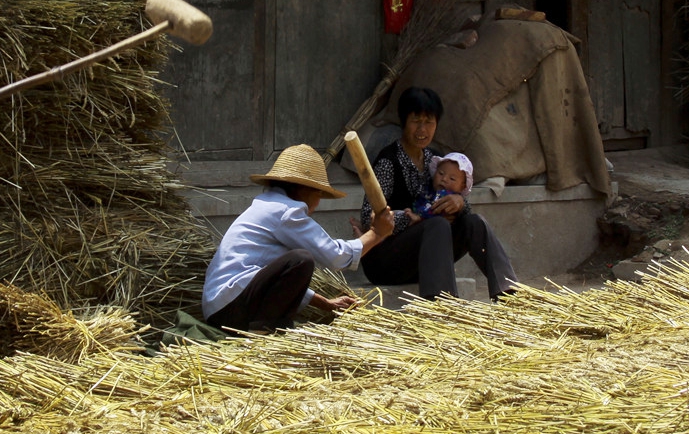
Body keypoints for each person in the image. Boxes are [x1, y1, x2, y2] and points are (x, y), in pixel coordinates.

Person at [203, 144, 396, 331]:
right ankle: (262, 330)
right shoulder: (286, 211)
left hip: (219, 310)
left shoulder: (267, 205)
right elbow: (336, 257)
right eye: (319, 193)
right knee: (301, 260)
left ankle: (265, 327)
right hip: (230, 307)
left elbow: (273, 280)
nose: (318, 202)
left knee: (296, 262)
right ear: (304, 188)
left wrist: (326, 304)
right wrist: (377, 233)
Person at [357, 87, 517, 300]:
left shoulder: (439, 160)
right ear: (404, 122)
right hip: (387, 261)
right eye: (416, 121)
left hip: (424, 258)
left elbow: (461, 207)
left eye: (429, 122)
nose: (422, 129)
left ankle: (508, 293)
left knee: (474, 222)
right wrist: (410, 220)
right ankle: (441, 303)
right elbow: (369, 218)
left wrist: (459, 202)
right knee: (437, 224)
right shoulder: (388, 162)